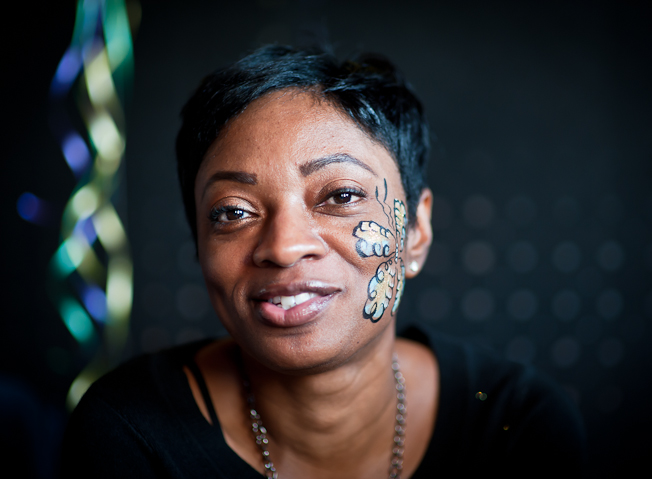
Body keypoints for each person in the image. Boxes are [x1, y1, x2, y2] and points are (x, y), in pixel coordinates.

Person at [60, 45, 585, 478]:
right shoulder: (128, 430)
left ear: (416, 233)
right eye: (234, 212)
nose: (284, 247)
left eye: (340, 196)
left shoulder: (516, 424)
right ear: (198, 242)